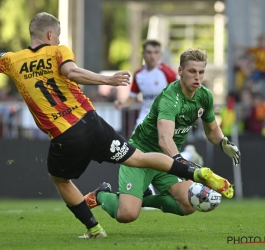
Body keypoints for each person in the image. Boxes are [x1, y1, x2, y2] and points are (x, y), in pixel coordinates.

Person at [0, 13, 233, 239]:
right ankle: (195, 173)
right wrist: (108, 80)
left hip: (65, 135)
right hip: (93, 123)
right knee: (138, 158)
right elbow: (71, 72)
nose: (58, 40)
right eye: (57, 35)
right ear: (49, 36)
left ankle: (93, 228)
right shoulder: (58, 51)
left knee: (60, 178)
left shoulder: (11, 59)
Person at [84, 47, 241, 223]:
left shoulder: (204, 96)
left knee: (188, 205)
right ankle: (101, 195)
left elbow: (212, 131)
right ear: (180, 71)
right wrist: (181, 163)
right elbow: (164, 138)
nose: (197, 77)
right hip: (140, 156)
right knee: (127, 215)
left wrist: (223, 142)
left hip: (166, 159)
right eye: (192, 71)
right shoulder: (169, 98)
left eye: (201, 72)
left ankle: (142, 198)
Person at [115, 39, 177, 198]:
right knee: (135, 151)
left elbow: (179, 95)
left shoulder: (168, 73)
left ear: (160, 54)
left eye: (156, 53)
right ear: (143, 54)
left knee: (166, 150)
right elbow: (132, 98)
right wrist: (121, 104)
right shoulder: (139, 74)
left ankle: (181, 176)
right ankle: (146, 190)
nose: (152, 56)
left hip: (165, 117)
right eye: (149, 52)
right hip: (145, 118)